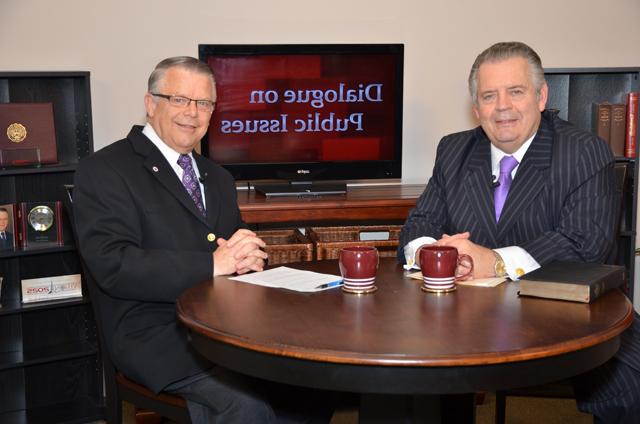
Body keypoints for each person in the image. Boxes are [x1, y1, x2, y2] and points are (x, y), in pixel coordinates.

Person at [74, 56, 332, 424]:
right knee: (247, 408)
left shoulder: (219, 177)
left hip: (228, 328)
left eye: (204, 103)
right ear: (151, 103)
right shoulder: (105, 170)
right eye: (179, 99)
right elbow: (113, 265)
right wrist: (214, 264)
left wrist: (250, 257)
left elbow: (233, 252)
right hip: (156, 334)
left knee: (313, 387)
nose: (192, 113)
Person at [398, 41, 640, 423]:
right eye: (489, 96)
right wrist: (439, 257)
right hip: (463, 317)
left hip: (566, 312)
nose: (502, 107)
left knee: (631, 384)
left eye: (515, 91)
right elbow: (418, 226)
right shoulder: (454, 150)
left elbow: (586, 244)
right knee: (406, 375)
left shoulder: (583, 151)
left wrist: (493, 261)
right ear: (476, 108)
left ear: (541, 96)